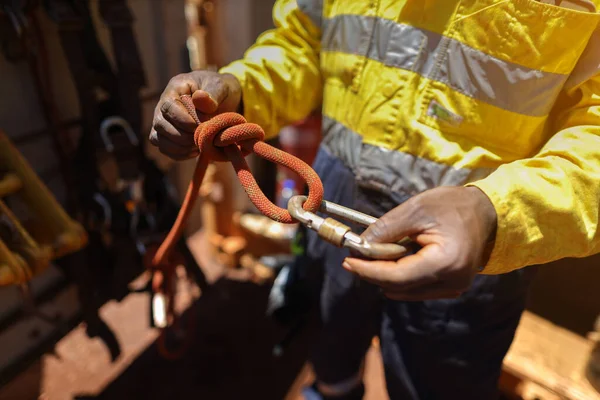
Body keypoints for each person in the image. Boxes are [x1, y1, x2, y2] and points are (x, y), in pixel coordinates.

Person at [150, 0, 600, 398]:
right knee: (329, 346)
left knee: (438, 385)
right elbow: (304, 41)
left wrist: (496, 212)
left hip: (466, 234)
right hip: (332, 191)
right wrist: (240, 90)